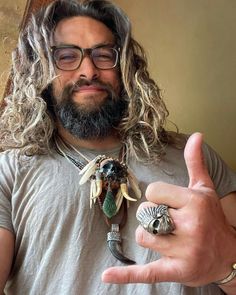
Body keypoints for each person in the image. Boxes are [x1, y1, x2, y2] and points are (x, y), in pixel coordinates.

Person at [0, 0, 235, 294]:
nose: (88, 70)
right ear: (40, 70)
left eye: (103, 54)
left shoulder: (193, 158)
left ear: (125, 68)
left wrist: (226, 264)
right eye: (67, 56)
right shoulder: (9, 171)